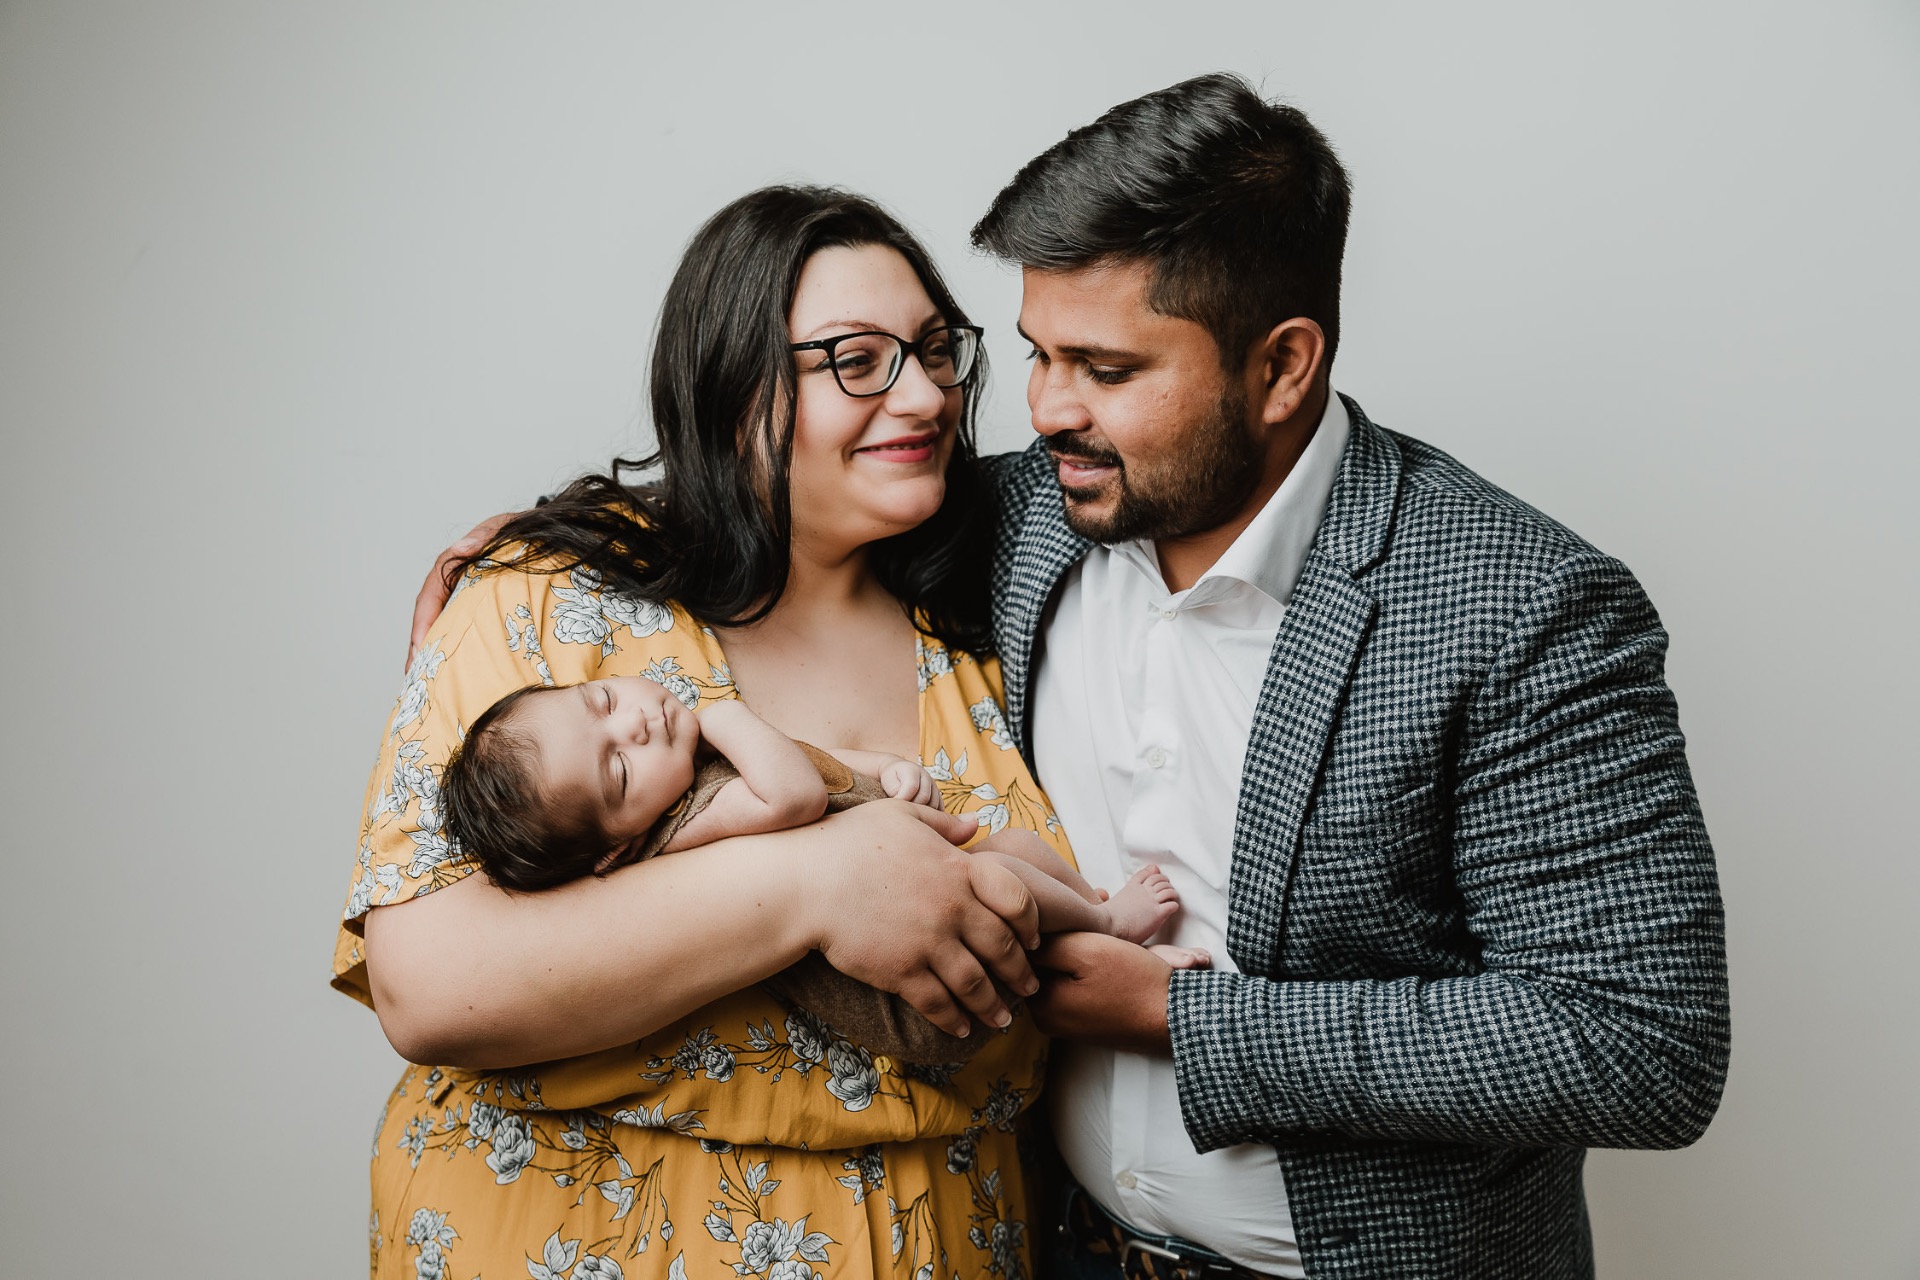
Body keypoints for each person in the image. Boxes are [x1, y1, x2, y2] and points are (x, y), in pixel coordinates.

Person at [409, 75, 1731, 1280]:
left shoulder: (1520, 607)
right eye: (1037, 353)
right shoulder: (1033, 514)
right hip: (1063, 1252)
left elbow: (1642, 1044)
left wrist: (1182, 1019)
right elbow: (801, 486)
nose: (1042, 410)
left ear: (1282, 366)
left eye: (1106, 370)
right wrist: (582, 533)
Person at [339, 186, 1074, 1280]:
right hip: (566, 1233)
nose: (925, 394)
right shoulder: (548, 592)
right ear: (732, 387)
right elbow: (433, 985)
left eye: (935, 351)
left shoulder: (1005, 605)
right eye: (856, 360)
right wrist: (817, 882)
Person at [438, 674, 1192, 1060]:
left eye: (602, 700)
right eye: (618, 769)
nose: (633, 723)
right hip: (915, 986)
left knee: (1017, 857)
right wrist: (725, 712)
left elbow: (823, 767)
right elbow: (796, 795)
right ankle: (1107, 922)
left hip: (931, 897)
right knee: (1006, 884)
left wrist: (888, 772)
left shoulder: (693, 768)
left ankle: (1101, 924)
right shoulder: (687, 825)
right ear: (617, 848)